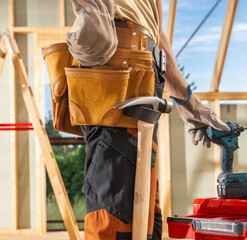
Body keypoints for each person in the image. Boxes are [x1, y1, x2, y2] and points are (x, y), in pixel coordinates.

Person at [66, 1, 230, 239]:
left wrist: (189, 104)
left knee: (145, 217)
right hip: (116, 64)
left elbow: (157, 33)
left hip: (144, 67)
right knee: (116, 213)